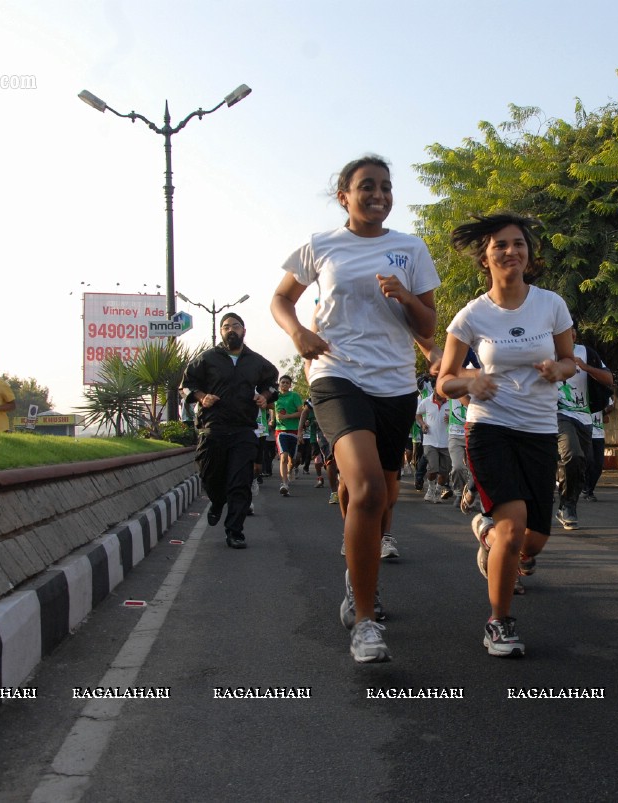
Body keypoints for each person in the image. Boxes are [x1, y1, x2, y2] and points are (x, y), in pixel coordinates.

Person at [271, 154, 439, 663]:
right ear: (343, 194)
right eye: (367, 186)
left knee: (380, 494)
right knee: (365, 487)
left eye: (386, 187)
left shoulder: (410, 248)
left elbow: (428, 327)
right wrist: (298, 332)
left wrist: (406, 297)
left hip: (393, 382)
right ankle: (364, 619)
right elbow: (281, 300)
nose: (379, 195)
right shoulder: (321, 246)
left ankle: (357, 571)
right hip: (335, 373)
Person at [437, 212, 576, 658]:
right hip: (490, 427)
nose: (510, 251)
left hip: (538, 429)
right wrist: (469, 382)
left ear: (528, 254)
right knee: (513, 529)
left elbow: (571, 360)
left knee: (532, 541)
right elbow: (444, 381)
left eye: (518, 244)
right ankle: (499, 622)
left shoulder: (551, 304)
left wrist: (559, 368)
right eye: (500, 245)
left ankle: (486, 534)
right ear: (486, 257)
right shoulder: (471, 315)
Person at [181, 313, 279, 549]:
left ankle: (235, 531)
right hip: (213, 428)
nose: (230, 330)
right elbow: (186, 385)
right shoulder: (207, 359)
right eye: (225, 327)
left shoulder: (257, 361)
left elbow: (273, 383)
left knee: (240, 482)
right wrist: (202, 397)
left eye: (235, 326)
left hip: (243, 429)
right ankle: (217, 501)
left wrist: (264, 397)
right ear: (221, 332)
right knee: (210, 475)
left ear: (244, 331)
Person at [554, 329, 613, 530]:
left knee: (582, 463)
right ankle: (568, 506)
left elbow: (608, 379)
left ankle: (566, 504)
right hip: (557, 414)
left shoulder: (586, 353)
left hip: (584, 416)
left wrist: (586, 367)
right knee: (573, 454)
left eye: (567, 333)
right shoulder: (544, 353)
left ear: (574, 336)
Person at [415, 382, 451, 503]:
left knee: (444, 472)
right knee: (433, 469)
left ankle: (437, 491)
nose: (440, 397)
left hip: (446, 442)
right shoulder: (426, 401)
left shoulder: (451, 402)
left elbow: (459, 416)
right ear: (435, 391)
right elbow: (418, 415)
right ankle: (430, 490)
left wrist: (452, 418)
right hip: (430, 441)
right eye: (438, 394)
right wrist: (423, 424)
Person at [272, 375, 302, 495]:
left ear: (290, 385)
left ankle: (290, 470)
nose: (284, 384)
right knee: (283, 457)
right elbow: (272, 408)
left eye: (287, 383)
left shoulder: (294, 396)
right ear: (279, 384)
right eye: (282, 382)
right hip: (281, 431)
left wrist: (286, 417)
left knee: (292, 459)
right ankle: (284, 483)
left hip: (293, 430)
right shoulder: (276, 397)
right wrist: (272, 419)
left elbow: (301, 412)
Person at [582, 398, 612, 502]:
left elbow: (610, 405)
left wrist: (606, 408)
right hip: (585, 432)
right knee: (589, 461)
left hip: (599, 434)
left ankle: (589, 489)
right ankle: (586, 488)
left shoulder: (599, 390)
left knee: (598, 465)